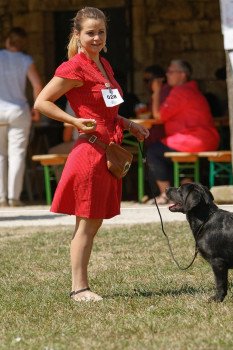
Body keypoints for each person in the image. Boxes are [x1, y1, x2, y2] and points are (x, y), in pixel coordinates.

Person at [34, 7, 149, 302]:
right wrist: (72, 121)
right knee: (88, 222)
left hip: (109, 150)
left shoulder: (104, 65)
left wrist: (129, 123)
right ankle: (79, 288)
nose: (96, 37)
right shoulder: (73, 67)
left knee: (92, 222)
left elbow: (106, 111)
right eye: (90, 32)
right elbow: (41, 102)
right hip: (90, 152)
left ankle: (80, 285)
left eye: (101, 32)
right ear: (78, 34)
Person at [147, 59, 220, 204]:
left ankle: (166, 194)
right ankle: (184, 189)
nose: (167, 74)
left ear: (183, 75)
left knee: (153, 152)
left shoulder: (180, 91)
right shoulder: (192, 89)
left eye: (171, 72)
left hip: (192, 140)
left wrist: (156, 92)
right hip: (207, 139)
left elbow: (158, 116)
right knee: (164, 151)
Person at [0, 27, 43, 207]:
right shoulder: (26, 60)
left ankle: (1, 197)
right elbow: (37, 85)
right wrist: (37, 108)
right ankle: (14, 197)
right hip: (18, 110)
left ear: (8, 40)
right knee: (17, 153)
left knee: (0, 154)